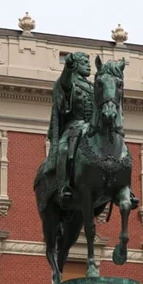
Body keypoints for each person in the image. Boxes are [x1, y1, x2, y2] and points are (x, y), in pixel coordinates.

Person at [45, 52, 94, 208]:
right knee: (64, 149)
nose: (88, 64)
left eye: (89, 62)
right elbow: (64, 83)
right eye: (84, 62)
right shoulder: (69, 83)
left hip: (93, 128)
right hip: (74, 127)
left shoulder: (93, 87)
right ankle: (64, 187)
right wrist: (68, 67)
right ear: (76, 66)